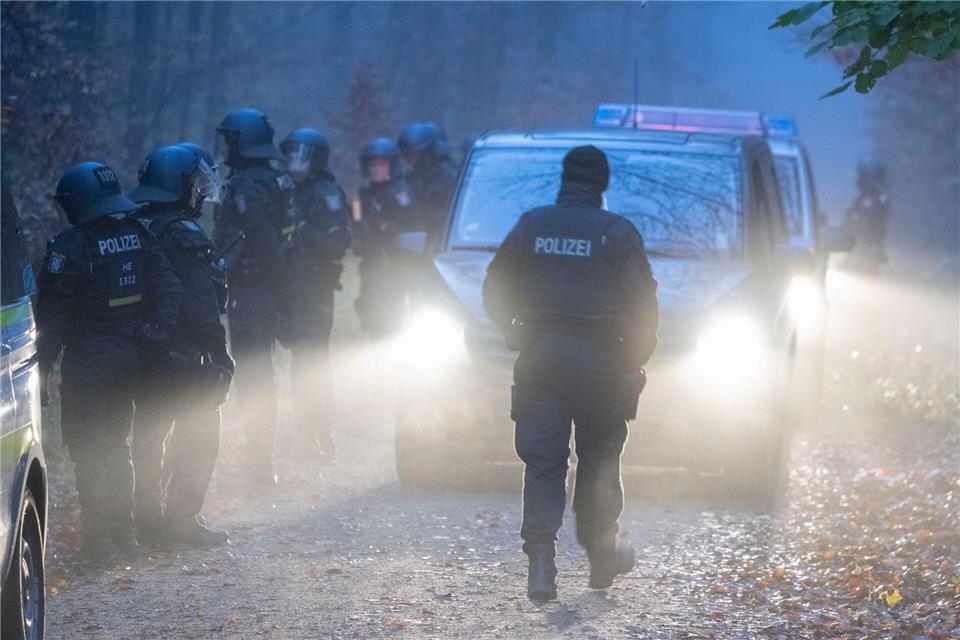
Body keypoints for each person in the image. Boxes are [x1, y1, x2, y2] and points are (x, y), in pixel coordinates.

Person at [482, 145, 659, 601]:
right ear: (602, 184)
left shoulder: (532, 225)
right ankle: (602, 556)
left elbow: (494, 284)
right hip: (601, 366)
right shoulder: (616, 233)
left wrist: (512, 332)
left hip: (540, 360)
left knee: (543, 463)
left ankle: (541, 566)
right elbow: (643, 307)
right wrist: (633, 360)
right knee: (598, 461)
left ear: (564, 179)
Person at [37, 161, 181, 564]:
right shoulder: (139, 236)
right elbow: (169, 289)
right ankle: (126, 537)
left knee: (88, 450)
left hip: (88, 365)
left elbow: (53, 322)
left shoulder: (69, 249)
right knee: (119, 446)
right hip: (129, 360)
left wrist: (43, 371)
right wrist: (153, 332)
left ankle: (98, 546)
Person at [129, 144, 234, 547]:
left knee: (147, 437)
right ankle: (180, 522)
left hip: (142, 353)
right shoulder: (185, 236)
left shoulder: (136, 227)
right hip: (184, 357)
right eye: (196, 184)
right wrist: (220, 354)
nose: (202, 192)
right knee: (201, 431)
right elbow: (200, 304)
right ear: (179, 185)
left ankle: (144, 523)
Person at [212, 107, 296, 485]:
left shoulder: (248, 187)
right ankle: (259, 461)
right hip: (262, 291)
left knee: (255, 378)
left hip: (253, 292)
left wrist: (280, 296)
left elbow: (264, 244)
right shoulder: (273, 180)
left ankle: (259, 465)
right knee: (260, 376)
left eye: (230, 138)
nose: (226, 146)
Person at [279, 127, 351, 461]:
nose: (296, 163)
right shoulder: (282, 190)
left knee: (313, 361)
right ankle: (302, 430)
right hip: (286, 289)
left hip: (316, 290)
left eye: (303, 156)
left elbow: (339, 243)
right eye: (292, 154)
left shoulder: (327, 194)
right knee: (297, 362)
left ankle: (319, 432)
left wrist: (305, 230)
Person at [354, 137, 417, 337]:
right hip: (371, 263)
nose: (376, 168)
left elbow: (413, 225)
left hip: (394, 265)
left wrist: (385, 226)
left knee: (392, 314)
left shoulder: (401, 192)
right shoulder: (363, 194)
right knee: (369, 310)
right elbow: (356, 218)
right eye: (373, 164)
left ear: (391, 166)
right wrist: (358, 227)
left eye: (382, 163)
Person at [397, 121, 458, 236]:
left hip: (439, 237)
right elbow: (405, 205)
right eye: (408, 155)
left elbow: (434, 216)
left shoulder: (445, 178)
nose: (411, 160)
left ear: (427, 152)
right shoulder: (414, 177)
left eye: (414, 154)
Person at [843, 160, 890, 274]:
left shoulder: (875, 200)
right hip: (860, 248)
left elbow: (875, 225)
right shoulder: (867, 199)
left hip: (865, 249)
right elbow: (850, 219)